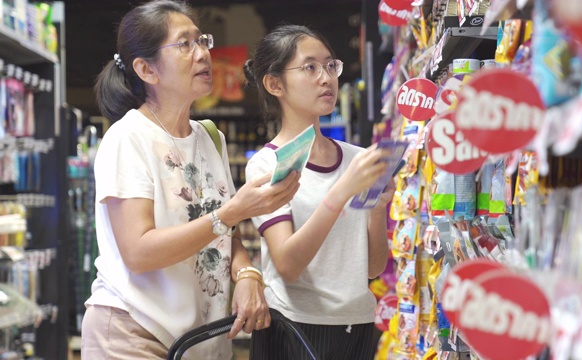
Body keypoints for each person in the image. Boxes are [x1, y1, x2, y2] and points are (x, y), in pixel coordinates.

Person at [80, 1, 301, 359]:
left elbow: (224, 236)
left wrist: (247, 275)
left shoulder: (209, 137)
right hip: (133, 334)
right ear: (146, 69)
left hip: (200, 339)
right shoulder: (127, 138)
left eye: (203, 41)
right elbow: (138, 252)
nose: (203, 54)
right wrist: (228, 214)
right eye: (185, 44)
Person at [243, 24, 393, 359]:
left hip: (360, 324)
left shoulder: (356, 158)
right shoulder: (268, 165)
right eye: (310, 67)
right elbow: (288, 265)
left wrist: (377, 206)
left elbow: (372, 268)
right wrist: (342, 191)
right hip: (293, 328)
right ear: (274, 83)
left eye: (330, 66)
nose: (326, 78)